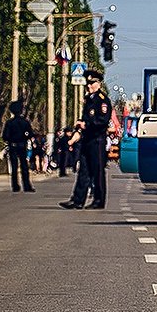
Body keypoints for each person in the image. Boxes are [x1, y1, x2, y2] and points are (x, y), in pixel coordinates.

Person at [60, 68, 110, 209]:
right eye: (87, 83)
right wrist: (79, 127)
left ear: (98, 84)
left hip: (97, 140)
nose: (89, 86)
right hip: (87, 140)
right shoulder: (89, 100)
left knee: (98, 171)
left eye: (92, 83)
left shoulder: (102, 101)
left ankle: (99, 200)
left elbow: (102, 121)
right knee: (84, 170)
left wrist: (86, 124)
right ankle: (77, 200)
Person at [2, 101, 36, 193]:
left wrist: (10, 140)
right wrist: (25, 138)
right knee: (24, 166)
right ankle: (26, 185)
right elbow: (30, 134)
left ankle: (15, 186)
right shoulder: (25, 122)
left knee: (14, 166)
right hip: (22, 145)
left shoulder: (9, 123)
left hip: (12, 146)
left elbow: (5, 136)